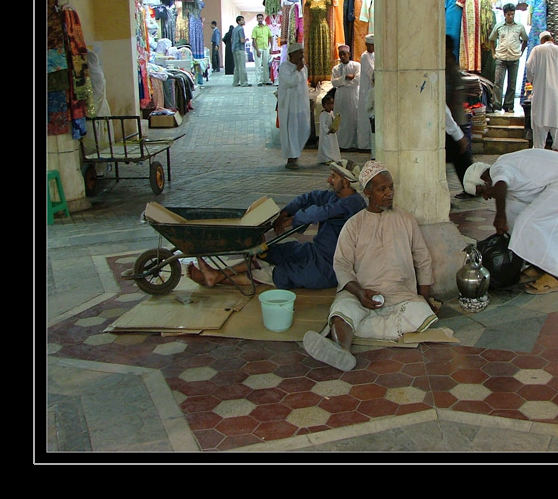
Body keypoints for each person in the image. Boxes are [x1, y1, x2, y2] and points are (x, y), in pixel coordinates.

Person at [302, 160, 438, 372]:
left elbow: (423, 258)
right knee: (342, 309)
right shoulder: (354, 224)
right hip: (361, 293)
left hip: (399, 294)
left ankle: (350, 329)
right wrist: (359, 292)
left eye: (391, 187)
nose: (389, 193)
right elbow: (341, 264)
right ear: (367, 192)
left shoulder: (406, 220)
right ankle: (343, 350)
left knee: (421, 313)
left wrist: (425, 296)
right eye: (382, 189)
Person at [186, 160, 367, 291]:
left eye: (333, 177)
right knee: (273, 252)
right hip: (314, 252)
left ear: (345, 182)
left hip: (328, 267)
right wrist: (286, 212)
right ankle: (218, 273)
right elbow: (309, 198)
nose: (329, 180)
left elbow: (320, 212)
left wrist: (293, 220)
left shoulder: (353, 204)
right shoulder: (334, 195)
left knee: (279, 273)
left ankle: (217, 277)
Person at [462, 149, 558, 294]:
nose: (485, 197)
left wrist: (499, 217)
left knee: (529, 222)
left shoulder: (499, 169)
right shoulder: (506, 176)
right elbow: (511, 213)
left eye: (482, 192)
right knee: (521, 220)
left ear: (486, 180)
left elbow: (501, 186)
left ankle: (557, 278)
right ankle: (539, 266)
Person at [525, 30, 558, 152]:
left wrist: (532, 79)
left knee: (539, 139)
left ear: (541, 41)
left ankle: (539, 157)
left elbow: (528, 66)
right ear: (552, 39)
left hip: (541, 96)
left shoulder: (537, 50)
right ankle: (557, 155)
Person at [445, 34, 473, 198]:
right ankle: (472, 187)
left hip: (454, 120)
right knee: (460, 158)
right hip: (453, 121)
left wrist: (455, 126)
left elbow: (454, 97)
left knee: (461, 157)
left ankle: (472, 187)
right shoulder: (449, 66)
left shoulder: (451, 68)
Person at [488, 2, 528, 113]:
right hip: (501, 58)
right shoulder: (499, 26)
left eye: (512, 14)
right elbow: (491, 40)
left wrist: (521, 52)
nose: (510, 16)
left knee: (512, 83)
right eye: (508, 14)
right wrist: (493, 53)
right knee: (498, 83)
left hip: (514, 59)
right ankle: (496, 105)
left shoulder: (519, 27)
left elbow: (525, 39)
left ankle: (509, 106)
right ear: (504, 14)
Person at [277, 42, 310, 170]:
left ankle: (296, 156)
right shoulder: (284, 67)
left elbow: (303, 86)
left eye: (302, 53)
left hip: (301, 105)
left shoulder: (303, 68)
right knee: (291, 131)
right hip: (289, 106)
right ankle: (291, 159)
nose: (302, 56)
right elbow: (291, 81)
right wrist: (297, 70)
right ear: (292, 54)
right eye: (299, 53)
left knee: (303, 129)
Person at [331, 45, 361, 150]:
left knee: (353, 119)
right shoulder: (336, 68)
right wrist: (345, 78)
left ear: (349, 54)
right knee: (341, 120)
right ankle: (341, 144)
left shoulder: (356, 66)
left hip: (353, 96)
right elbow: (334, 83)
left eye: (344, 54)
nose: (342, 56)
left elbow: (357, 81)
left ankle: (353, 144)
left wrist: (342, 82)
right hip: (341, 96)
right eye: (341, 54)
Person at [356, 34, 375, 152]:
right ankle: (364, 145)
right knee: (364, 118)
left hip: (372, 90)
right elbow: (371, 72)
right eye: (371, 45)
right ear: (367, 45)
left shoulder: (374, 55)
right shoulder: (364, 56)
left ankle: (371, 145)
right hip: (365, 90)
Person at [317, 91, 341, 164]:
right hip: (326, 134)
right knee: (326, 147)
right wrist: (327, 131)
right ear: (324, 105)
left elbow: (333, 121)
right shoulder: (323, 114)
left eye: (332, 104)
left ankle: (333, 157)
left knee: (332, 146)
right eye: (328, 104)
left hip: (332, 133)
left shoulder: (331, 113)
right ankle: (326, 159)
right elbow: (323, 125)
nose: (330, 106)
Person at [251, 13, 273, 86]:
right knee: (258, 65)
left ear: (263, 19)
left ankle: (266, 80)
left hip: (266, 48)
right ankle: (259, 81)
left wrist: (271, 47)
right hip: (258, 48)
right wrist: (257, 50)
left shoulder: (266, 28)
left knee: (266, 64)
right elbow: (254, 40)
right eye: (259, 18)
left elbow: (270, 37)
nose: (260, 20)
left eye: (261, 18)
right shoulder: (255, 29)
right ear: (257, 20)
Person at [231, 15, 250, 87]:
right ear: (238, 21)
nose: (243, 21)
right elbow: (242, 40)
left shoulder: (234, 29)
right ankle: (244, 82)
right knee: (242, 66)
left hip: (234, 49)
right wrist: (246, 40)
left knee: (236, 67)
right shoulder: (241, 29)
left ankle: (235, 82)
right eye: (242, 20)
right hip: (240, 49)